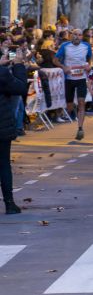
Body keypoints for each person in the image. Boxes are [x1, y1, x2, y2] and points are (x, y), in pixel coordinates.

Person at [1, 45, 29, 214]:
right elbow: (20, 88)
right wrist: (18, 65)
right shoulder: (2, 74)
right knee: (3, 164)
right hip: (2, 124)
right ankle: (9, 203)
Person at [53, 28, 92, 140]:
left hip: (81, 78)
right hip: (69, 79)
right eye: (75, 34)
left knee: (81, 102)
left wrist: (88, 66)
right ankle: (73, 109)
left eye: (79, 35)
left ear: (81, 37)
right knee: (69, 106)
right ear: (71, 35)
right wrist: (63, 67)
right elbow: (55, 60)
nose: (77, 37)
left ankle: (80, 128)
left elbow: (89, 59)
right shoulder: (65, 46)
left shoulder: (86, 46)